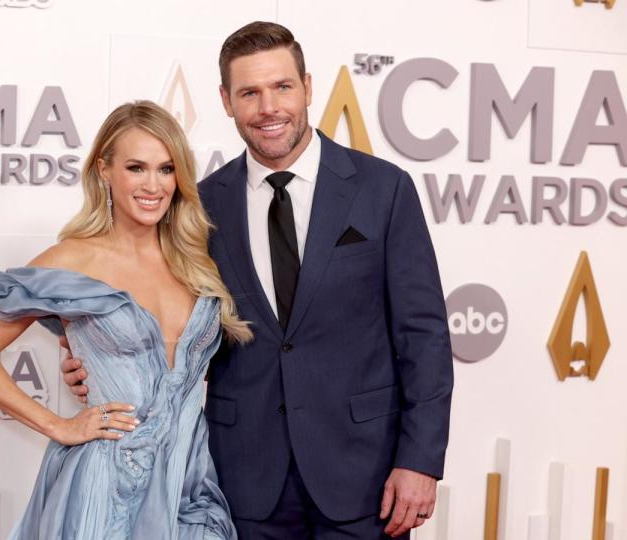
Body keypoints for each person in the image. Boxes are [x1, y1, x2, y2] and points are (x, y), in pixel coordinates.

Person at [62, 22, 454, 539]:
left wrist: (420, 461)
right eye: (250, 92)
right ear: (226, 101)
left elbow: (424, 337)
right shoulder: (198, 206)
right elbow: (158, 304)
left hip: (366, 474)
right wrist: (94, 355)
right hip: (243, 477)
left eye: (282, 87)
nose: (269, 108)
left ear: (308, 88)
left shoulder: (384, 190)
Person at [0, 100, 252, 539]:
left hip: (188, 481)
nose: (154, 185)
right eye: (136, 167)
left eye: (167, 169)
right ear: (103, 171)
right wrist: (58, 424)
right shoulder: (73, 260)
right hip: (103, 483)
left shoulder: (199, 259)